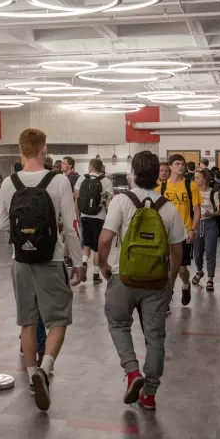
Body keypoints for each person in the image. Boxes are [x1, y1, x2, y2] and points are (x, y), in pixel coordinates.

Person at [0, 128, 83, 412]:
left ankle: (32, 373)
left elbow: (2, 224)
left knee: (27, 321)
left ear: (21, 150)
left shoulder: (9, 183)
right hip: (51, 258)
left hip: (20, 260)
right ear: (44, 149)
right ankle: (45, 369)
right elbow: (71, 225)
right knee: (58, 320)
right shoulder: (58, 181)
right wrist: (78, 261)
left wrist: (24, 233)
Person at [99, 151, 187, 411]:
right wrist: (171, 280)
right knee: (155, 338)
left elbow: (105, 240)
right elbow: (177, 252)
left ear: (134, 173)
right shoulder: (168, 207)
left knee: (118, 324)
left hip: (123, 277)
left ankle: (132, 372)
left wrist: (103, 265)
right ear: (158, 174)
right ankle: (149, 394)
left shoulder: (121, 201)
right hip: (156, 282)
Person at [158, 153, 201, 308]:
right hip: (165, 233)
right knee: (167, 269)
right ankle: (166, 299)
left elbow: (197, 210)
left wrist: (193, 230)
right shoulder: (162, 187)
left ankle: (185, 285)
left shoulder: (191, 185)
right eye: (177, 164)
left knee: (181, 270)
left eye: (183, 164)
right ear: (170, 166)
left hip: (184, 233)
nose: (181, 166)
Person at [76, 158, 110, 285]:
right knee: (97, 248)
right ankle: (96, 275)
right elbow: (109, 201)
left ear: (91, 167)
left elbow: (77, 197)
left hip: (84, 215)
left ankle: (84, 263)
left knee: (86, 244)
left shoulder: (82, 179)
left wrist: (77, 214)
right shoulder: (106, 181)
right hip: (99, 217)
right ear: (101, 168)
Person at [191, 168, 220, 292]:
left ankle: (210, 279)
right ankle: (199, 271)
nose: (195, 179)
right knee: (197, 254)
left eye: (197, 177)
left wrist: (211, 214)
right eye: (194, 177)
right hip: (197, 225)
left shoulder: (213, 193)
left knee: (210, 253)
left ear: (205, 179)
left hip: (210, 224)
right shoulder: (193, 192)